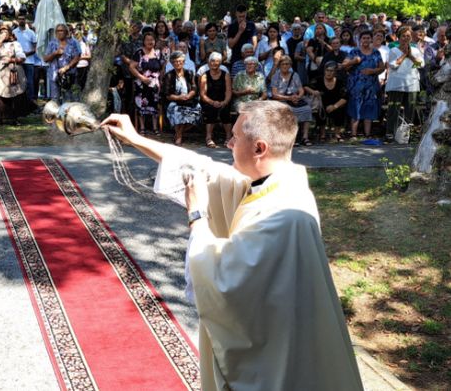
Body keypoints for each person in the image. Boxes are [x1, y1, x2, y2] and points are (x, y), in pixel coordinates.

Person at [100, 101, 363, 391]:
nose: (228, 144)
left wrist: (196, 214)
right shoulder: (274, 183)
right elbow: (201, 168)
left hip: (279, 359)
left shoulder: (285, 215)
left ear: (259, 148)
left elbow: (223, 280)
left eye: (235, 138)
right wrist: (134, 138)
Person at [342, 30, 385, 139]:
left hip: (371, 86)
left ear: (371, 39)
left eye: (368, 38)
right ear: (360, 40)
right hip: (356, 86)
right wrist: (354, 61)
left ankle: (367, 134)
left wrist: (373, 71)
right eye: (363, 38)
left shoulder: (376, 52)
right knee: (355, 108)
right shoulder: (354, 52)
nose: (366, 40)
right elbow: (344, 65)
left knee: (369, 109)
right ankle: (354, 135)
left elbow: (382, 68)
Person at [385, 26, 423, 142]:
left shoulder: (416, 50)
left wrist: (410, 55)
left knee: (409, 110)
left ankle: (405, 136)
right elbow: (394, 66)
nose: (406, 38)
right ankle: (390, 134)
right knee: (393, 109)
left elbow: (420, 65)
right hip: (396, 84)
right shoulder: (393, 50)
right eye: (403, 36)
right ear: (398, 37)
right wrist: (404, 55)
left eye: (408, 36)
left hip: (411, 84)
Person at [0, 25, 27, 125]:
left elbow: (22, 58)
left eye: (5, 32)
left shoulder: (15, 44)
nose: (3, 34)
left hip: (11, 70)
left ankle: (14, 118)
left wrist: (11, 59)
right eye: (1, 32)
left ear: (9, 33)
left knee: (14, 94)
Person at [271, 55, 313, 145]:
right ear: (279, 65)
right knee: (288, 110)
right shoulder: (276, 76)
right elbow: (274, 94)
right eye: (283, 64)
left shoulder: (295, 75)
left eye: (287, 64)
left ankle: (305, 137)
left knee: (307, 109)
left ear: (290, 65)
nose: (285, 66)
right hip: (282, 99)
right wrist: (288, 98)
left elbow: (301, 90)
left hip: (294, 99)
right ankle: (291, 138)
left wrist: (298, 97)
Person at [164, 51, 201, 146]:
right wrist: (178, 97)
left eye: (180, 61)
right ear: (172, 63)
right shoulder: (169, 75)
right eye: (175, 61)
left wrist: (189, 96)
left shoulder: (189, 73)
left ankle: (178, 133)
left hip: (189, 100)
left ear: (184, 62)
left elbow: (194, 88)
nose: (178, 63)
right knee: (176, 110)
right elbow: (167, 94)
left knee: (198, 109)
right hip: (175, 101)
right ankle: (179, 137)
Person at [128, 32, 162, 135]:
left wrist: (160, 80)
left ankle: (155, 127)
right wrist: (142, 78)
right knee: (141, 104)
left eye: (152, 40)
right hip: (141, 83)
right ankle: (142, 127)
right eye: (147, 40)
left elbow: (162, 67)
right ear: (144, 41)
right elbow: (131, 67)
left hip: (155, 83)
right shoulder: (139, 52)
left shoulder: (158, 53)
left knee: (155, 104)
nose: (150, 42)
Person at [307, 61, 348, 142]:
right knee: (320, 110)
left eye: (331, 71)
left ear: (335, 72)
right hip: (322, 104)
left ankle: (337, 134)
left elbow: (345, 97)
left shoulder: (340, 82)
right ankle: (322, 134)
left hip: (335, 104)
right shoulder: (318, 80)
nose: (329, 73)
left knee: (340, 109)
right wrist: (313, 92)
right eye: (327, 70)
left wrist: (334, 106)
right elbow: (305, 86)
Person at [199, 52, 232, 148]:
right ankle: (208, 138)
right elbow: (202, 94)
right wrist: (212, 102)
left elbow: (228, 92)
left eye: (217, 61)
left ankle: (228, 137)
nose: (215, 63)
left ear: (220, 63)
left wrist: (224, 102)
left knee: (225, 110)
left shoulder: (225, 75)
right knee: (210, 110)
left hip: (223, 100)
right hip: (208, 101)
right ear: (209, 62)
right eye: (212, 61)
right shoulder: (204, 76)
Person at [42, 23, 81, 102]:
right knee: (55, 98)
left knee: (69, 97)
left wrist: (66, 67)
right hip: (54, 75)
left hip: (70, 75)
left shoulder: (73, 43)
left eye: (62, 31)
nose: (60, 32)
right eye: (58, 31)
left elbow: (77, 57)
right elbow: (45, 59)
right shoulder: (52, 43)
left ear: (66, 32)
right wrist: (55, 53)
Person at [12, 16, 38, 108]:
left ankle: (30, 103)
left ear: (25, 20)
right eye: (19, 19)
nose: (21, 20)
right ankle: (19, 103)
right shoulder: (14, 32)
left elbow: (35, 49)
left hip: (29, 61)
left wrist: (25, 55)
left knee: (29, 82)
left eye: (23, 19)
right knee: (18, 82)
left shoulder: (31, 33)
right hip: (17, 61)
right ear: (17, 20)